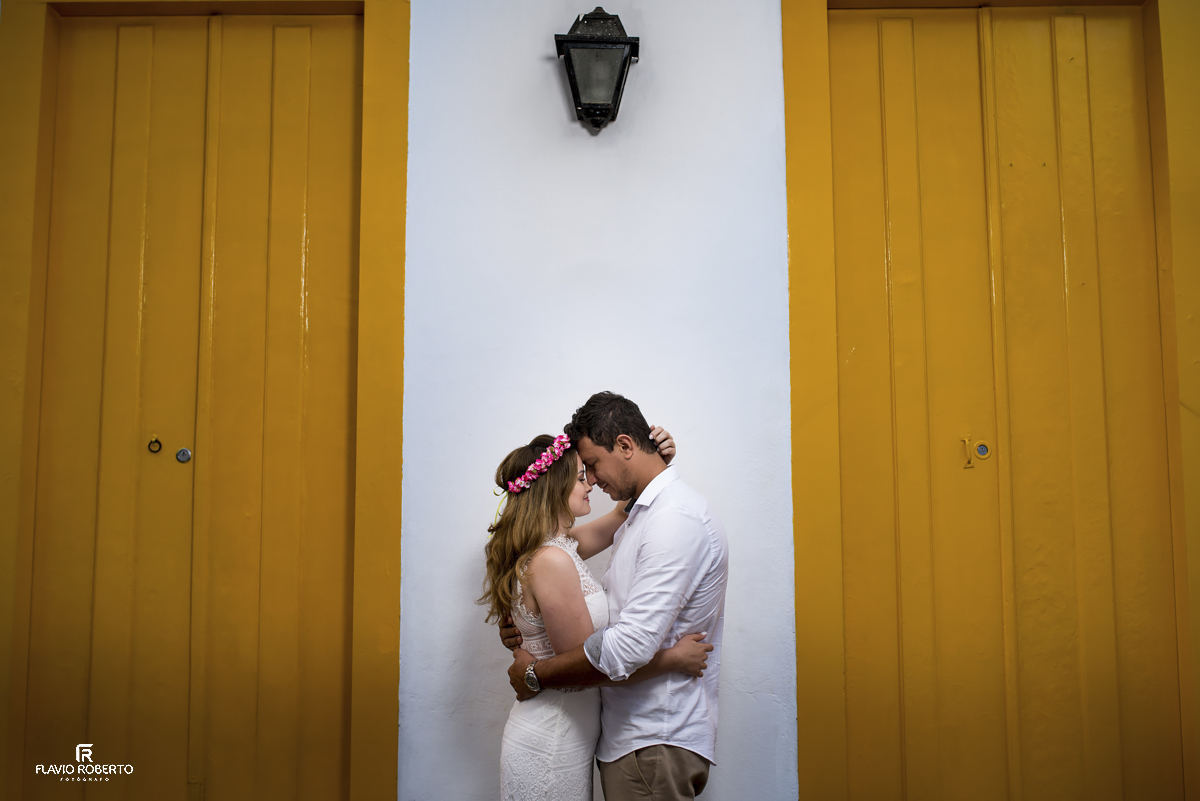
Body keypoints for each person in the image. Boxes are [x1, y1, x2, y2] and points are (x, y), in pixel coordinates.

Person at [503, 392, 729, 801]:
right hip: (588, 734)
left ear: (625, 445)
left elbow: (623, 647)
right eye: (581, 472)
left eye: (591, 466)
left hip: (647, 735)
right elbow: (594, 651)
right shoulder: (558, 551)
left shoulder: (666, 519)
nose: (590, 479)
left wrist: (535, 672)